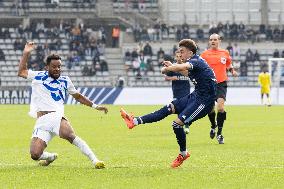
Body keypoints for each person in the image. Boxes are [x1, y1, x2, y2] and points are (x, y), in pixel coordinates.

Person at [120, 39, 216, 168]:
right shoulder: (194, 63)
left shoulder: (196, 61)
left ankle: (183, 153)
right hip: (196, 96)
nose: (180, 54)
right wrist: (172, 66)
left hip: (204, 101)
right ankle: (135, 121)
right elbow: (186, 72)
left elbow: (183, 67)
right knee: (168, 108)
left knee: (176, 124)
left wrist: (169, 68)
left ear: (190, 52)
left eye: (182, 51)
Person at [17, 42, 108, 169]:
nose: (57, 69)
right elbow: (21, 72)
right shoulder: (38, 76)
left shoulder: (65, 80)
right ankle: (51, 157)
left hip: (56, 117)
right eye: (54, 67)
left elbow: (78, 96)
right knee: (35, 154)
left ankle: (95, 160)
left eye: (59, 66)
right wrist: (26, 53)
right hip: (42, 122)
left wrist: (95, 106)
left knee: (71, 136)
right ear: (47, 67)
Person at [200, 33, 238, 144]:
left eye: (215, 39)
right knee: (210, 109)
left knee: (221, 108)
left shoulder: (225, 53)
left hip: (221, 83)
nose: (213, 41)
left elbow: (228, 65)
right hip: (208, 85)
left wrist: (232, 71)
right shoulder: (204, 55)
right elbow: (199, 68)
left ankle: (220, 134)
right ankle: (213, 125)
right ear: (209, 41)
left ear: (219, 41)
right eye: (211, 39)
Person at [164, 50, 191, 134]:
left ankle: (187, 124)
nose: (179, 58)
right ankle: (180, 125)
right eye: (177, 56)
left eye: (180, 56)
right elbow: (166, 77)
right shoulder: (173, 67)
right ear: (175, 57)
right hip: (177, 92)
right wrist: (173, 78)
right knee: (178, 110)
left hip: (186, 92)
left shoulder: (186, 66)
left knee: (188, 109)